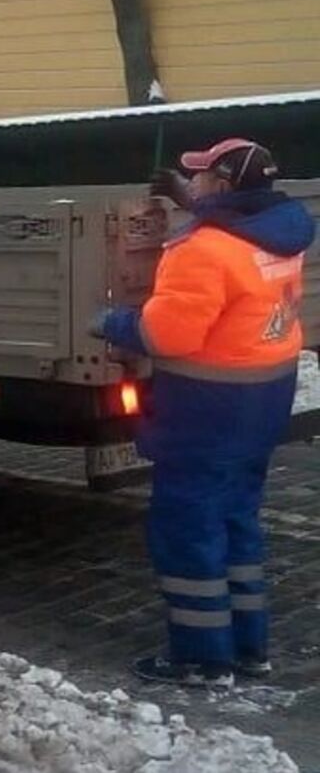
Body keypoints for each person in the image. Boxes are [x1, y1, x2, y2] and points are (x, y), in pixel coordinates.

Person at [96, 138, 313, 688]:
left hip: (207, 409)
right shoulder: (283, 231)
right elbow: (237, 239)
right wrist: (193, 205)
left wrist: (113, 322)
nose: (191, 182)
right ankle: (249, 648)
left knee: (187, 530)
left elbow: (167, 335)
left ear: (222, 183)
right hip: (263, 401)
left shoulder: (200, 250)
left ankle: (200, 659)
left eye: (199, 176)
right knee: (237, 520)